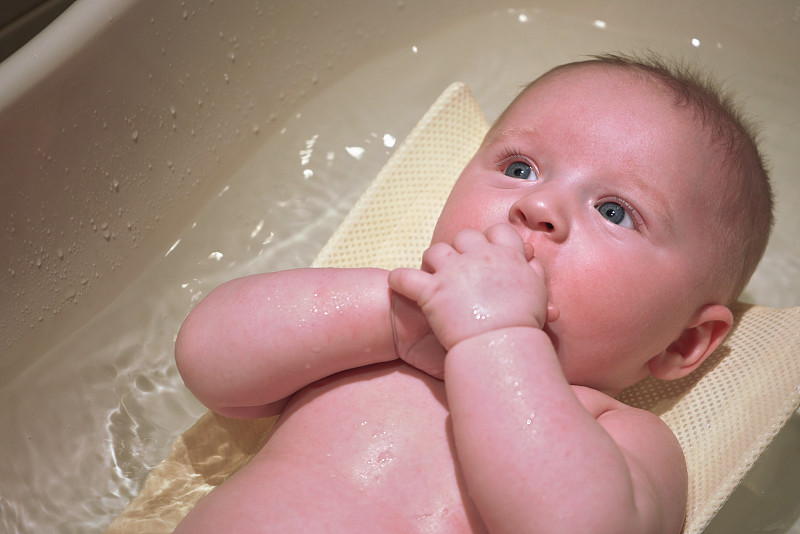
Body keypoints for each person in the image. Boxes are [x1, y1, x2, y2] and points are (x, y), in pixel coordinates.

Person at [173, 53, 773, 533]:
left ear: (683, 342)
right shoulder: (365, 331)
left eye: (615, 211)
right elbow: (209, 359)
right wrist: (400, 321)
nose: (537, 206)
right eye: (520, 169)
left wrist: (496, 337)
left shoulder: (620, 434)